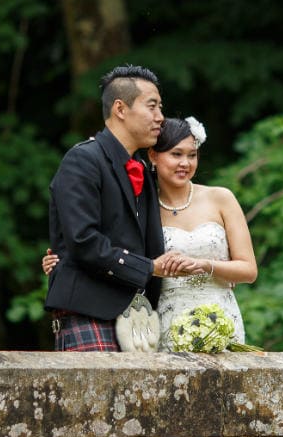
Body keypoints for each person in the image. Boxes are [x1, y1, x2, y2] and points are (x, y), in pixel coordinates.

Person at [44, 115, 257, 350]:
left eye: (192, 155)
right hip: (164, 320)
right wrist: (65, 260)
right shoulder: (142, 207)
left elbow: (249, 270)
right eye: (176, 154)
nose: (185, 163)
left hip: (221, 315)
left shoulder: (221, 198)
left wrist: (208, 266)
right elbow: (111, 249)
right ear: (153, 156)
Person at [46, 64, 190, 352]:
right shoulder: (82, 161)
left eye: (160, 108)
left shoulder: (142, 171)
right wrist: (149, 267)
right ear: (120, 109)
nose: (160, 117)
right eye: (152, 107)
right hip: (89, 311)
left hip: (139, 320)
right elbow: (83, 240)